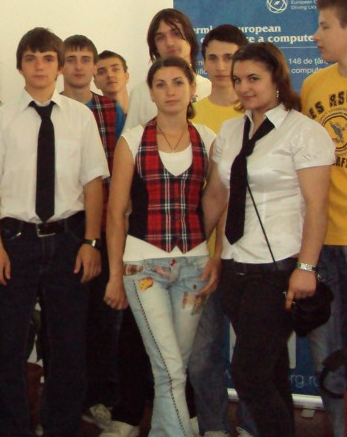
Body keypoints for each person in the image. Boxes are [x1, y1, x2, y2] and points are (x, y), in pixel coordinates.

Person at [0, 27, 107, 437]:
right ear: (19, 67)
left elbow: (93, 184)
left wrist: (91, 242)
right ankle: (13, 428)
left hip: (69, 240)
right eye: (31, 58)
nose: (39, 66)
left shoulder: (81, 117)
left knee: (68, 346)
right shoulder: (0, 119)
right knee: (8, 346)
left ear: (60, 66)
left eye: (48, 58)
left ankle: (60, 426)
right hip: (14, 241)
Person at [202, 43, 333, 437]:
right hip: (234, 267)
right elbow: (216, 196)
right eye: (238, 79)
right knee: (271, 371)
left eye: (254, 78)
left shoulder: (304, 132)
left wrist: (306, 268)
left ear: (277, 79)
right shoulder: (230, 130)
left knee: (248, 374)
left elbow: (317, 207)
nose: (244, 87)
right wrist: (195, 246)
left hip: (277, 271)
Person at [104, 56, 218, 437]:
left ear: (192, 89)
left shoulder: (208, 139)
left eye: (178, 83)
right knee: (169, 368)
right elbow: (116, 213)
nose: (170, 91)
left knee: (174, 367)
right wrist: (115, 275)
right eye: (161, 84)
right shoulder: (133, 140)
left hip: (193, 268)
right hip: (143, 266)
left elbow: (220, 202)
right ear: (150, 93)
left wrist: (214, 253)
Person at [184, 24, 255, 437]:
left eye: (230, 57)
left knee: (253, 356)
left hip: (249, 256)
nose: (221, 66)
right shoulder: (192, 114)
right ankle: (213, 427)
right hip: (201, 255)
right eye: (212, 57)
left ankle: (251, 426)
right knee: (201, 358)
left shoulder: (256, 112)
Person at [59, 34, 123, 431]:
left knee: (104, 320)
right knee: (67, 322)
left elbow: (121, 171)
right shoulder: (50, 108)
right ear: (61, 66)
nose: (79, 66)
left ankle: (100, 398)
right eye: (72, 59)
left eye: (87, 59)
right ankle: (67, 398)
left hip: (103, 228)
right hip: (63, 229)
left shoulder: (111, 110)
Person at [302, 0, 347, 437]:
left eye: (325, 26)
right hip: (324, 241)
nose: (315, 35)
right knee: (328, 352)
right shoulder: (314, 86)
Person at [127, 9, 212, 129]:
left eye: (176, 34)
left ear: (190, 38)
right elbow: (130, 138)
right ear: (155, 47)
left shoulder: (209, 88)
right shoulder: (140, 93)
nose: (169, 43)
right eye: (160, 37)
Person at [94, 50, 131, 115]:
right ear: (96, 83)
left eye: (115, 69)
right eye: (101, 72)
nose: (110, 75)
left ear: (126, 76)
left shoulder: (146, 111)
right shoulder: (92, 116)